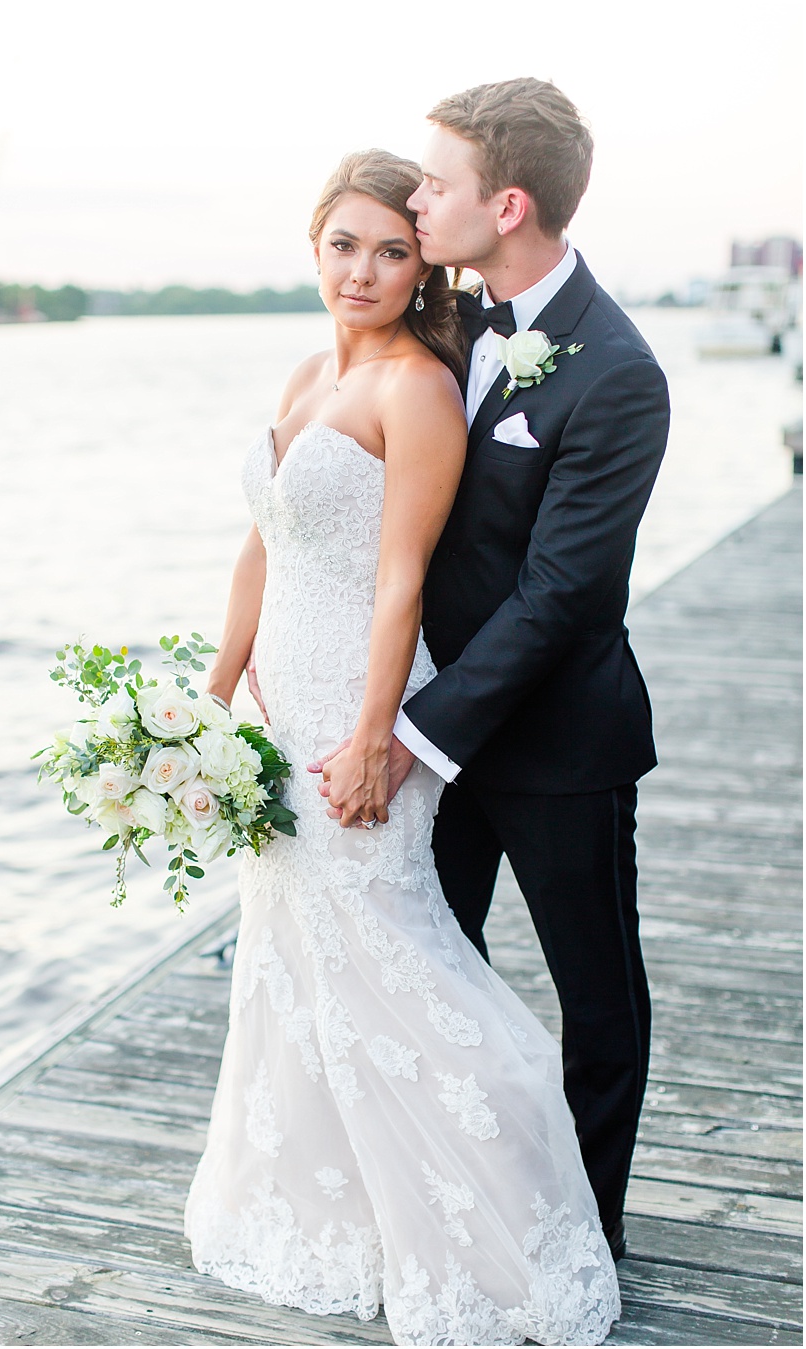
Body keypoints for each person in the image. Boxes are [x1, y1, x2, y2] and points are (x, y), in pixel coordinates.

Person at [183, 148, 621, 1345]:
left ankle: (508, 1201)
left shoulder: (416, 391)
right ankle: (352, 1215)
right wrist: (204, 708)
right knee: (296, 958)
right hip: (276, 713)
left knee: (397, 954)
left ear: (421, 262)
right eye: (344, 244)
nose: (365, 269)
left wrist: (379, 737)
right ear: (312, 246)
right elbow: (260, 548)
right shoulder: (304, 372)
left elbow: (401, 582)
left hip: (358, 709)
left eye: (392, 248)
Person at [318, 78, 670, 1268]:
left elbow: (562, 596)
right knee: (426, 978)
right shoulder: (450, 321)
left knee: (597, 1000)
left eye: (436, 185)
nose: (417, 202)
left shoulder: (619, 372)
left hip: (557, 743)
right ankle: (446, 1211)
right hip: (432, 731)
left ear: (506, 203)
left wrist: (410, 734)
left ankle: (586, 1235)